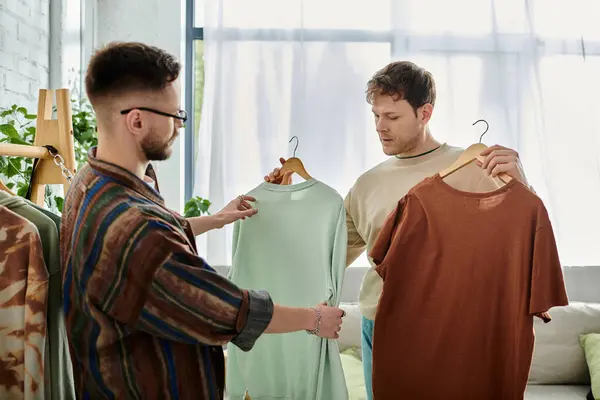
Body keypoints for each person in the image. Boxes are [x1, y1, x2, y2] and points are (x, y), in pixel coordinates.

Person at [60, 41, 345, 400]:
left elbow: (143, 253)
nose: (180, 126)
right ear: (137, 120)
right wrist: (313, 319)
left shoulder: (89, 183)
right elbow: (227, 310)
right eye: (175, 115)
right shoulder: (135, 225)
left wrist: (217, 219)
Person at [265, 61, 531, 399]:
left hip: (454, 325)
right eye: (376, 116)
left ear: (425, 113)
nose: (380, 126)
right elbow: (320, 256)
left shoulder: (473, 168)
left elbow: (525, 236)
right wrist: (282, 202)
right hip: (381, 325)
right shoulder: (367, 185)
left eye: (392, 117)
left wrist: (520, 181)